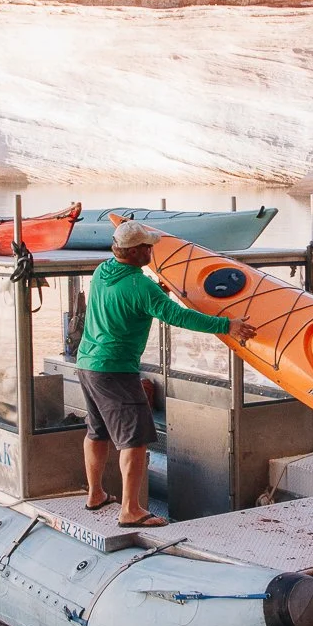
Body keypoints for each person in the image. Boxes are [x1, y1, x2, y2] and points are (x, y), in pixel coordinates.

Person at [77, 220, 257, 528]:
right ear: (134, 252)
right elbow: (178, 316)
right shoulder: (140, 286)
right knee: (134, 441)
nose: (151, 250)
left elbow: (130, 299)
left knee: (96, 431)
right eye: (147, 247)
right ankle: (130, 510)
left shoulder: (102, 271)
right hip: (116, 371)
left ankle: (95, 495)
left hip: (87, 365)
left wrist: (152, 294)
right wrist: (228, 325)